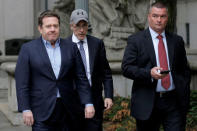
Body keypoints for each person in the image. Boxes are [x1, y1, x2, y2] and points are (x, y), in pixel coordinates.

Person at [15, 10, 95, 131]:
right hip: (41, 111)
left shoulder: (71, 47)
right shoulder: (28, 49)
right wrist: (25, 108)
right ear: (40, 28)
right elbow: (22, 82)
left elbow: (81, 78)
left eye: (55, 26)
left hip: (68, 109)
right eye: (48, 26)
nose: (52, 29)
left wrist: (88, 103)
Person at [122, 1, 191, 131]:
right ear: (149, 17)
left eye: (162, 16)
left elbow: (184, 70)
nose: (159, 20)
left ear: (167, 18)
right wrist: (148, 73)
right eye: (155, 16)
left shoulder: (177, 41)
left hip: (173, 102)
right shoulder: (136, 40)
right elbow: (126, 68)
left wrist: (184, 91)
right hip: (147, 102)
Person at [66, 9, 114, 131]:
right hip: (72, 101)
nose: (81, 30)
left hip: (95, 100)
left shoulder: (97, 44)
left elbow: (106, 73)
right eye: (78, 26)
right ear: (71, 26)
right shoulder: (63, 45)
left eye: (84, 25)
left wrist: (108, 96)